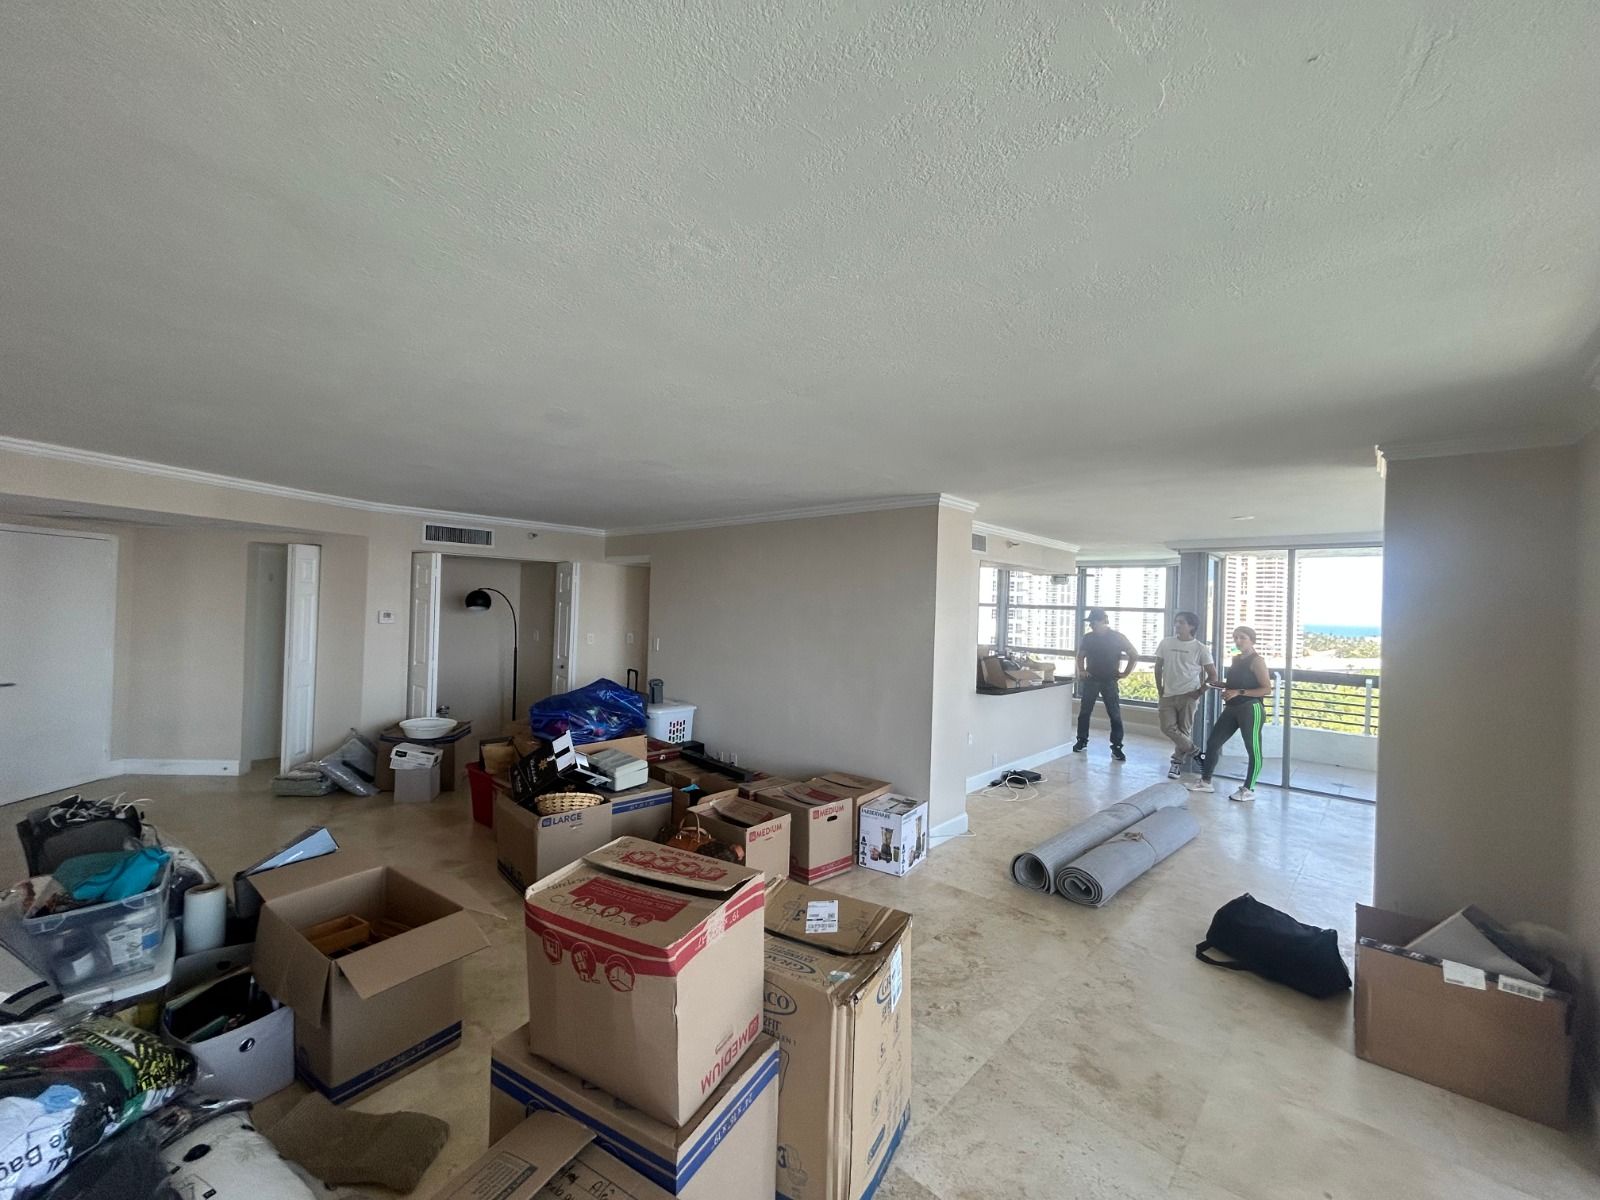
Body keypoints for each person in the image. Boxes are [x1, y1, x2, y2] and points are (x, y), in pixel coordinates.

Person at [1188, 626, 1273, 801]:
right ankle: (1206, 782)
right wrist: (1222, 685)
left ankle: (1249, 789)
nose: (1238, 641)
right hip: (1232, 708)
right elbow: (1234, 684)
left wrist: (1238, 692)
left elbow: (1266, 689)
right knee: (1213, 742)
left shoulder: (1257, 661)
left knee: (1253, 748)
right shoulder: (1236, 659)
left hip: (1251, 708)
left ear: (1252, 640)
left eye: (1242, 637)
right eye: (1235, 638)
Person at [1153, 611, 1217, 779]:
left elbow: (1213, 676)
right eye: (1176, 622)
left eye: (1181, 622)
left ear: (1192, 626)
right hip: (1167, 694)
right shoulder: (1166, 643)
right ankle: (1197, 753)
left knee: (1183, 730)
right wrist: (1160, 688)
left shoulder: (1200, 648)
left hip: (1188, 695)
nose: (1177, 625)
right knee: (1167, 728)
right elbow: (1158, 666)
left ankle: (1176, 765)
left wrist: (1199, 692)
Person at [1072, 608, 1139, 762]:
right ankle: (1082, 740)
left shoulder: (1117, 637)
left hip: (1109, 680)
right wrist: (1081, 670)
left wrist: (1125, 673)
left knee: (1114, 714)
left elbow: (1134, 655)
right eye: (1090, 623)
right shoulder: (1088, 638)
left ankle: (1117, 746)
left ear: (1103, 621)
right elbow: (1080, 656)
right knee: (1084, 712)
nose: (1091, 625)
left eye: (1093, 622)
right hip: (1091, 679)